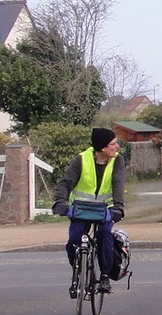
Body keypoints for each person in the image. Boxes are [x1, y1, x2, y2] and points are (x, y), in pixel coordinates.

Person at [53, 127, 126, 297]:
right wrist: (60, 202)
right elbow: (66, 182)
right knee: (73, 240)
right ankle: (80, 271)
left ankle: (105, 275)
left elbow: (118, 184)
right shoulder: (82, 160)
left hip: (105, 209)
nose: (117, 147)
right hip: (81, 209)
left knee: (104, 235)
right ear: (102, 147)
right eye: (113, 144)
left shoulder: (117, 161)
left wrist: (118, 207)